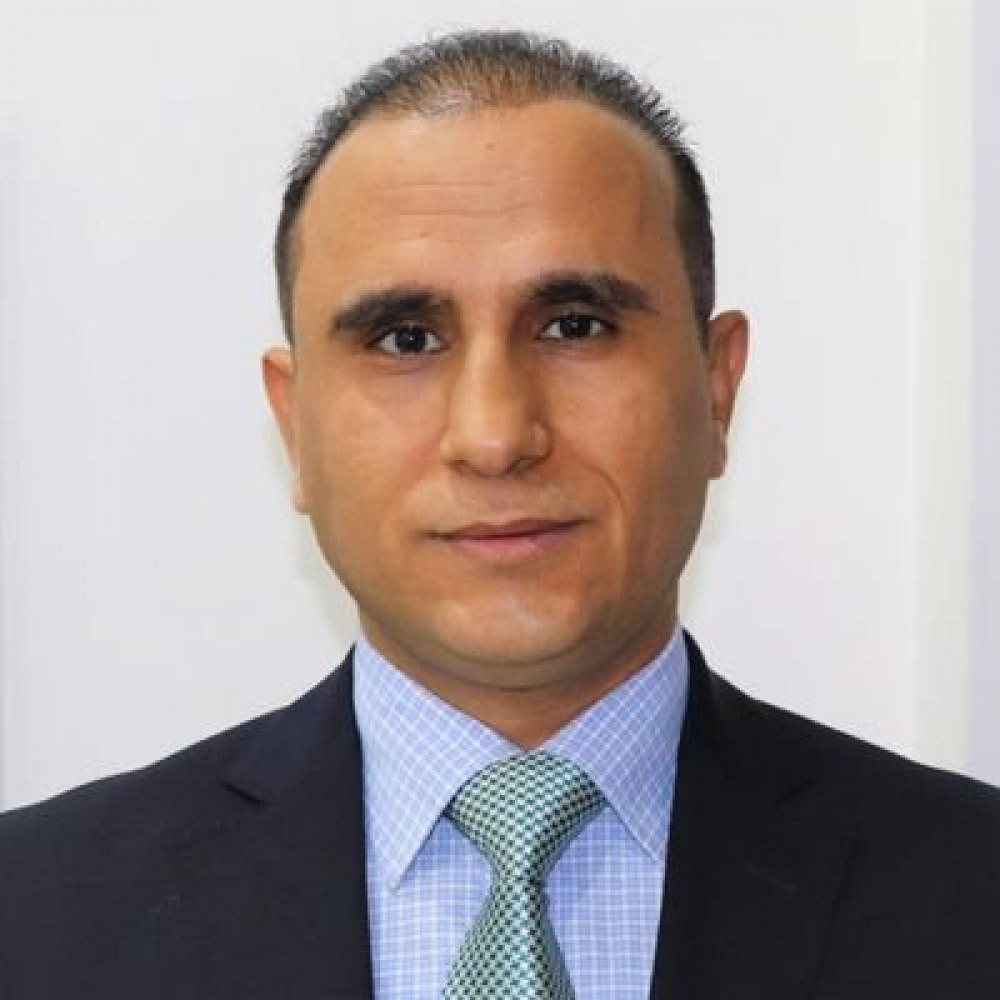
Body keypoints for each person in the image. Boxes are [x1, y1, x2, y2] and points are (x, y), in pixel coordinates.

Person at [1, 29, 998, 1000]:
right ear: (294, 425)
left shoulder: (968, 893)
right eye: (405, 339)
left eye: (575, 325)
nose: (494, 435)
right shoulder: (35, 916)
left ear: (715, 391)